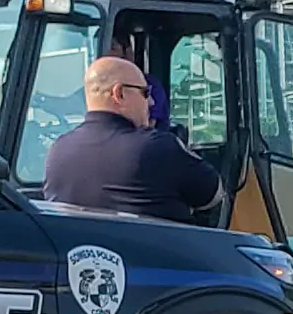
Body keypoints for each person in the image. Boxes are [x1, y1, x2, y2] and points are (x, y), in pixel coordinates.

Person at [41, 55, 220, 222]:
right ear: (119, 94)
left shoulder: (57, 152)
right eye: (145, 93)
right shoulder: (157, 148)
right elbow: (214, 195)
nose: (151, 103)